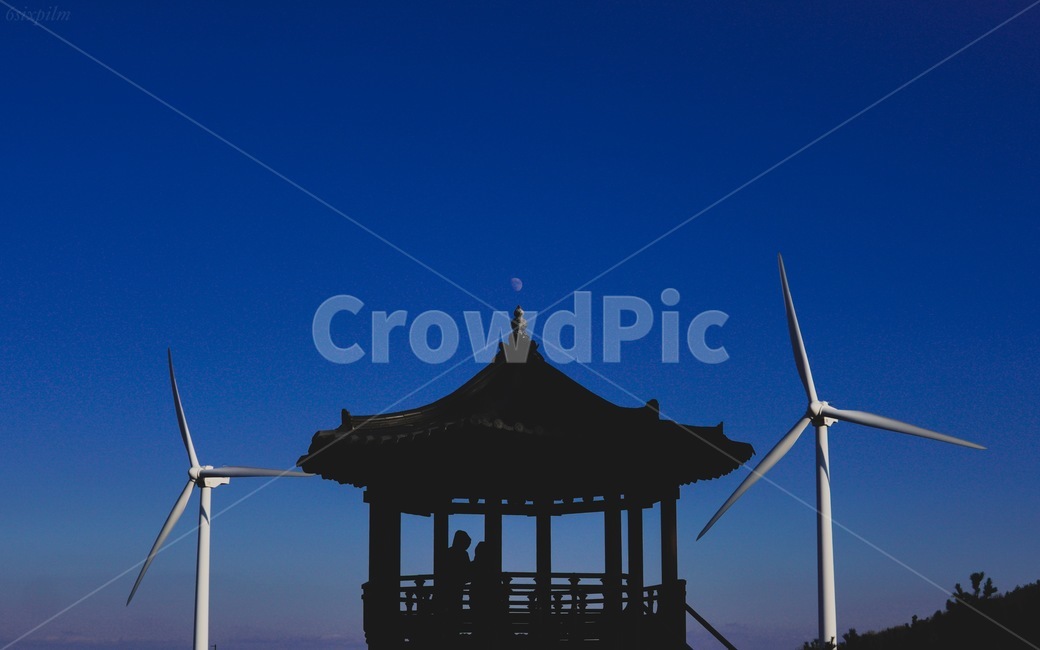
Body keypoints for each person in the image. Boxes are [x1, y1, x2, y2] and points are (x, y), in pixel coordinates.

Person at [439, 530, 472, 639]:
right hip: (457, 588)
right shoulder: (463, 554)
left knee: (449, 611)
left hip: (447, 589)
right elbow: (467, 572)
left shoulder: (447, 553)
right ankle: (453, 633)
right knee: (455, 609)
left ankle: (447, 634)